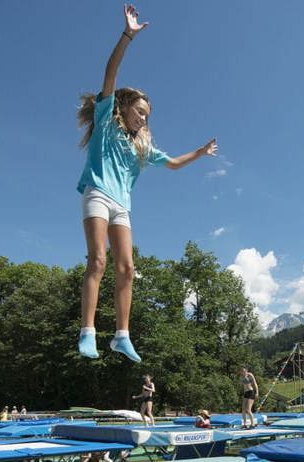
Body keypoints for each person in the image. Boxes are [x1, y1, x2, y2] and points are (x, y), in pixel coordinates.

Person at [76, 3, 217, 362]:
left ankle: (122, 335)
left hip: (121, 205)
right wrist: (128, 35)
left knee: (128, 268)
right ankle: (88, 331)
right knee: (98, 261)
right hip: (97, 193)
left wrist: (199, 153)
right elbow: (110, 71)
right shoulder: (107, 119)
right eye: (139, 110)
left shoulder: (143, 145)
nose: (143, 117)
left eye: (147, 115)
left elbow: (172, 164)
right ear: (124, 106)